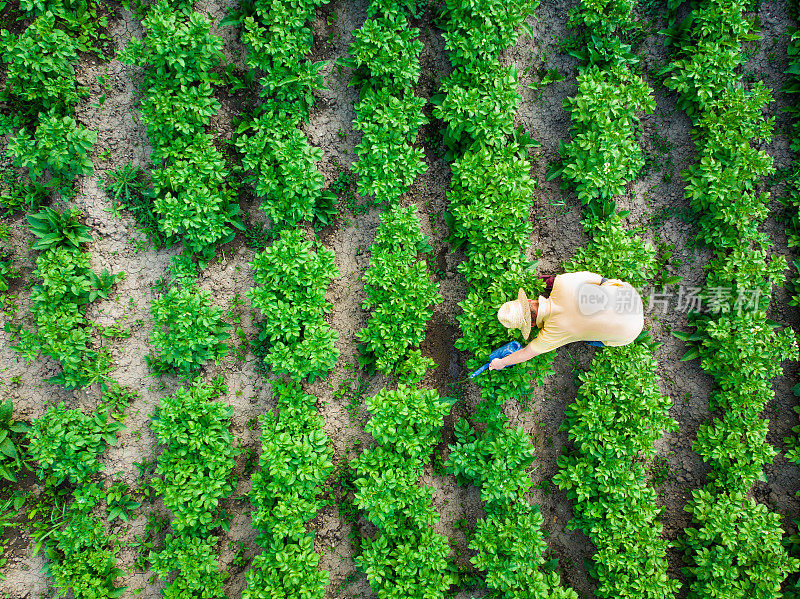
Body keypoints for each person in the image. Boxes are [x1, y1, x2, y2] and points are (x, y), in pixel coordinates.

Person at [488, 271, 643, 371]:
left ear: (532, 325)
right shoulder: (563, 282)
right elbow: (599, 279)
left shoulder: (551, 334)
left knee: (590, 340)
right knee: (603, 284)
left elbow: (526, 353)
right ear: (528, 300)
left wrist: (500, 363)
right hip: (631, 296)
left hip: (630, 333)